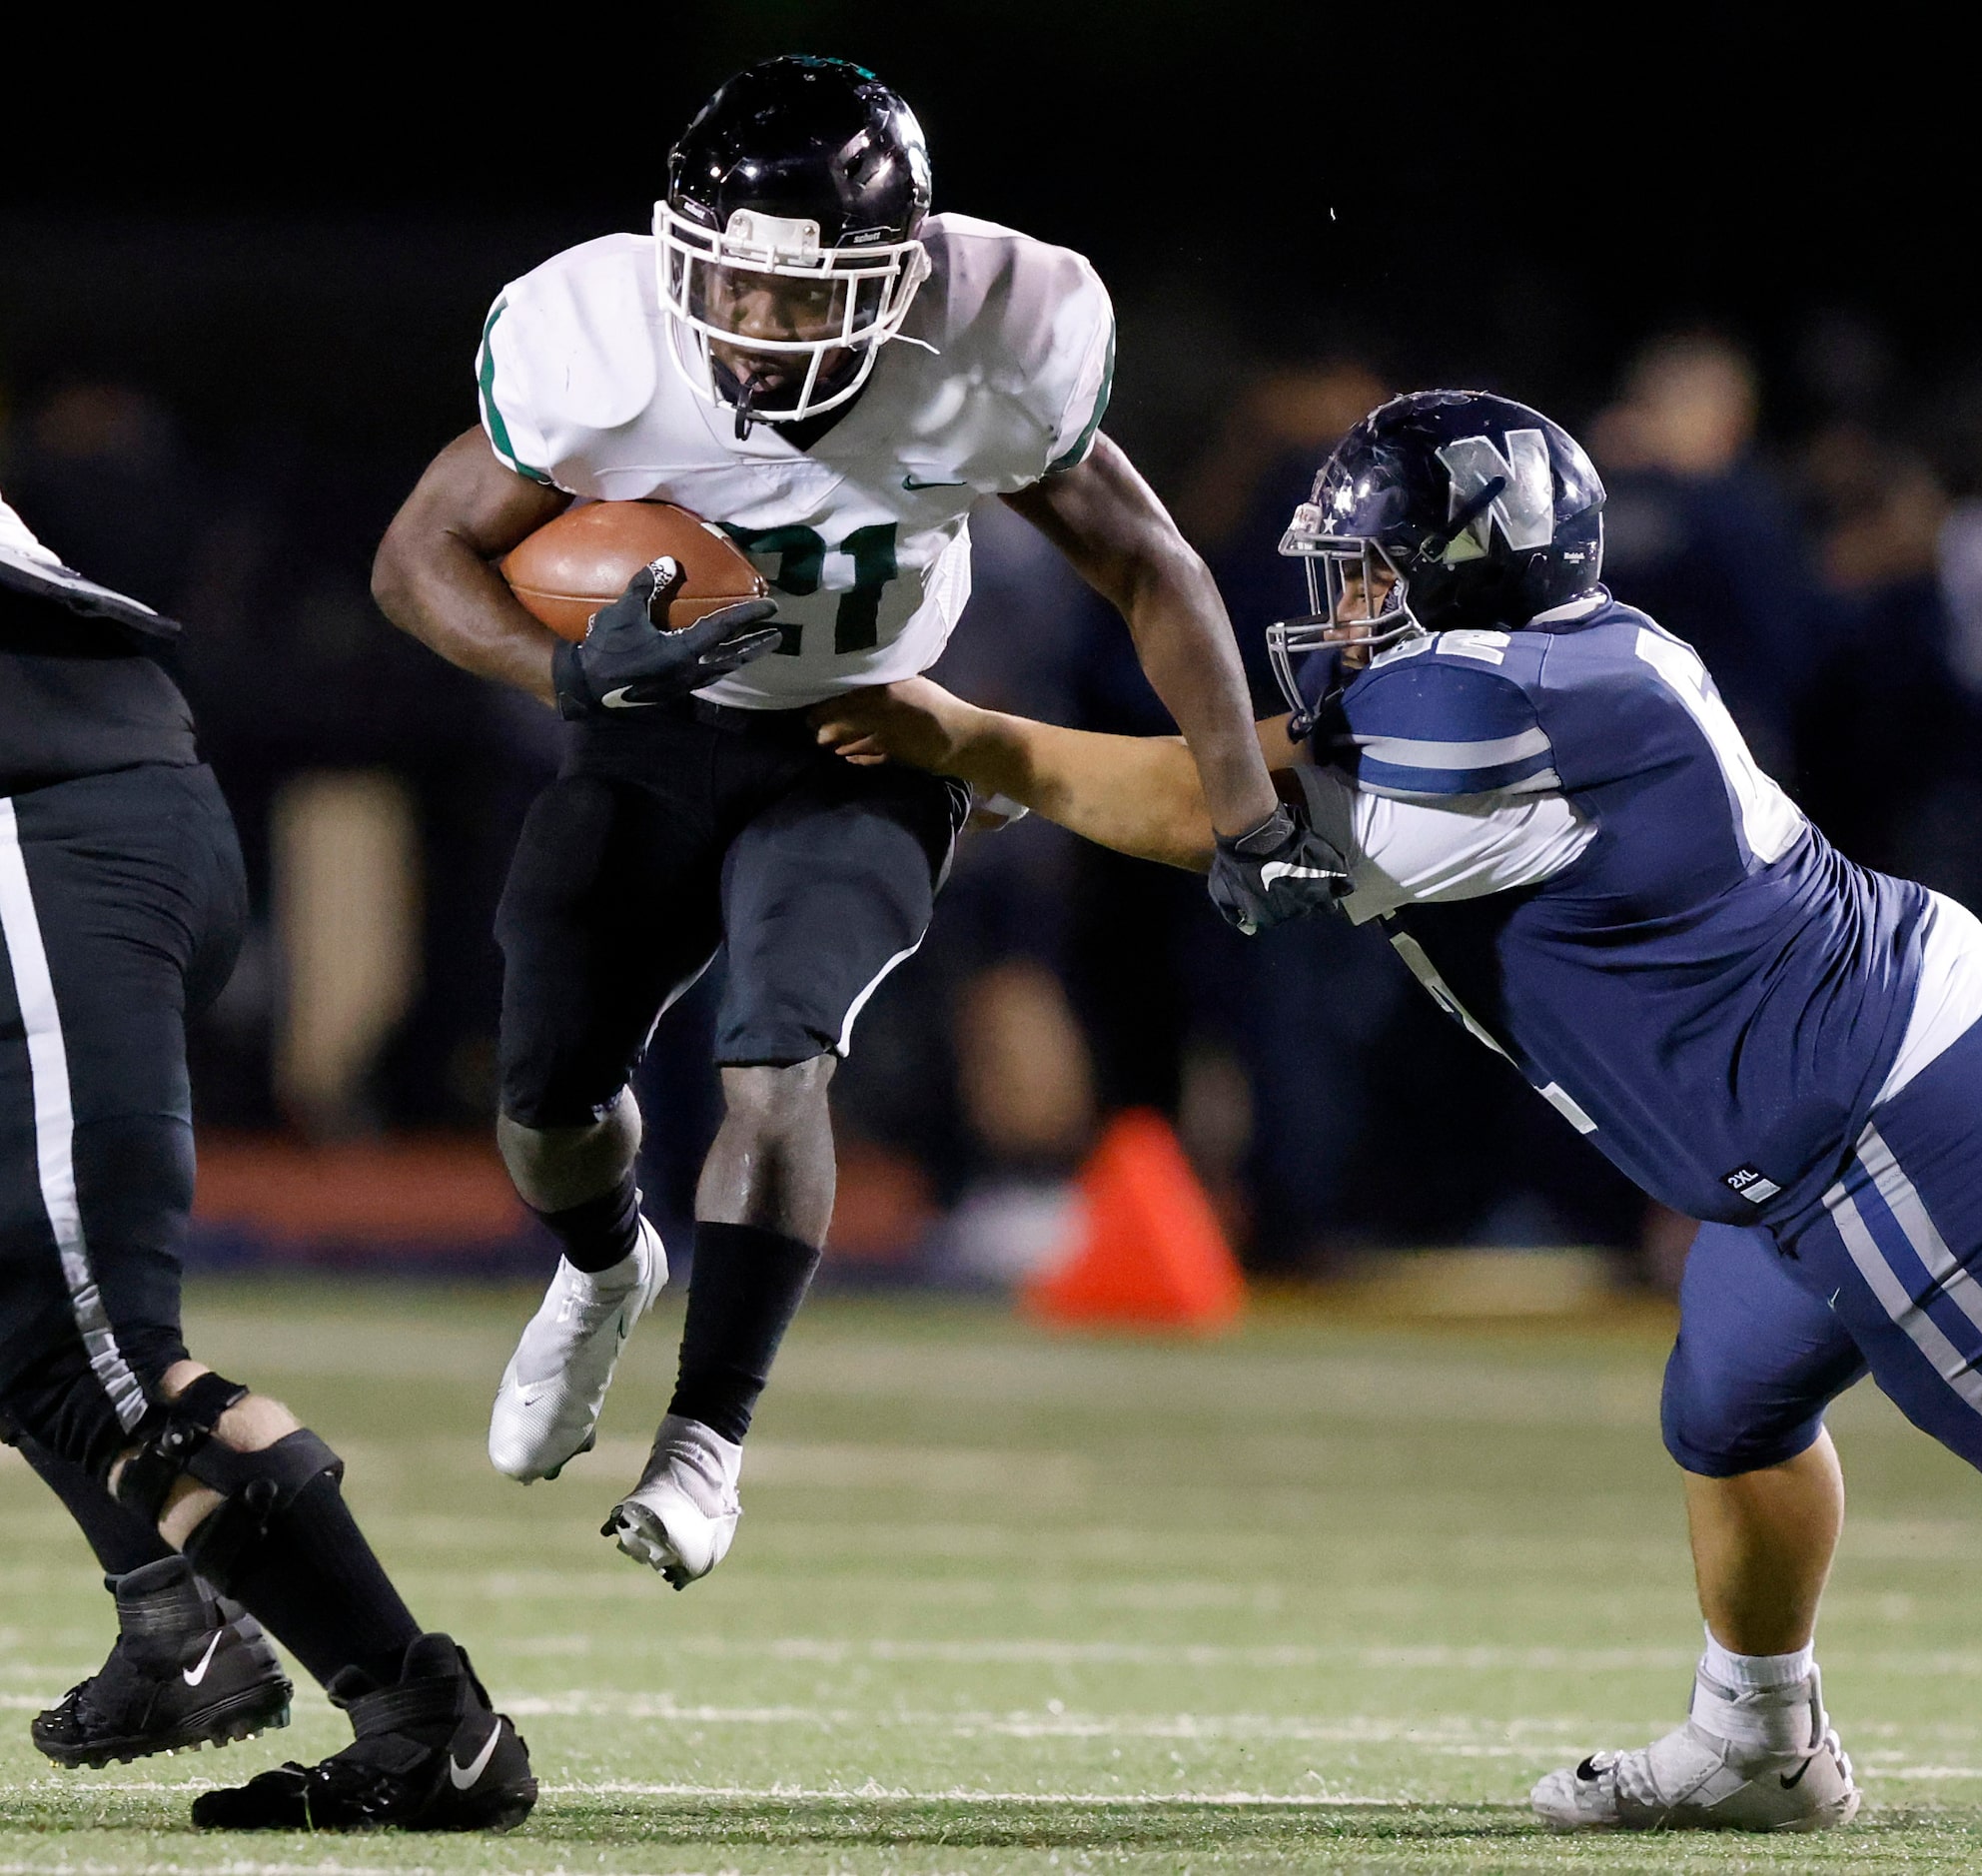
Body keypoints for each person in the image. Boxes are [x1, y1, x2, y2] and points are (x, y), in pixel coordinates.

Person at [815, 390, 1982, 1838]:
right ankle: (1756, 1740)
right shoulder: (1529, 670)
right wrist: (1002, 763)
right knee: (1726, 1409)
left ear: (1464, 571)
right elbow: (1257, 791)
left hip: (1886, 1123)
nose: (1343, 604)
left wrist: (971, 740)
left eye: (1373, 567)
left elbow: (1229, 817)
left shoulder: (1497, 698)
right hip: (1833, 1113)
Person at [370, 57, 1339, 1586]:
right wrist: (563, 667)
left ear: (904, 280)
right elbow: (417, 557)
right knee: (547, 1099)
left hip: (866, 731)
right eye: (732, 292)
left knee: (777, 1056)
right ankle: (607, 1262)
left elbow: (1149, 562)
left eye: (802, 299)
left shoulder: (995, 339)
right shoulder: (603, 343)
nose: (756, 332)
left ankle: (707, 1443)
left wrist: (1239, 808)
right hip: (646, 737)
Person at [0, 495, 536, 1828]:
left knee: (97, 1352)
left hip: (42, 831)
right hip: (77, 816)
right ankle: (174, 1618)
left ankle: (428, 1725)